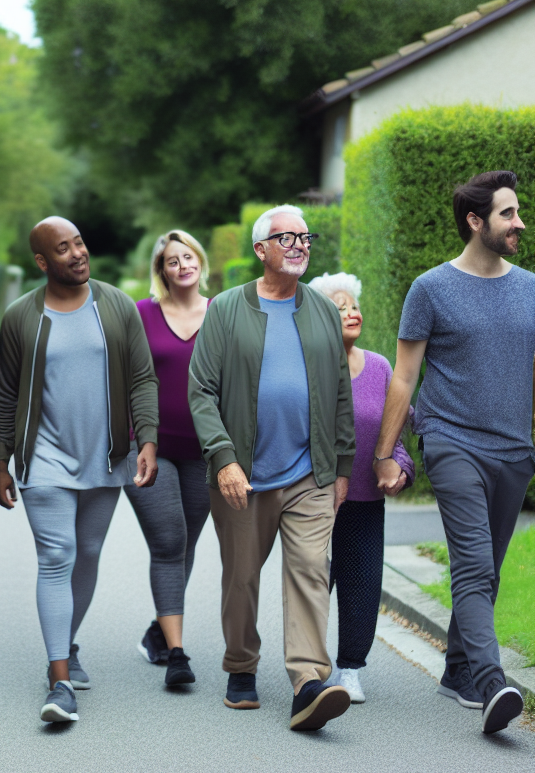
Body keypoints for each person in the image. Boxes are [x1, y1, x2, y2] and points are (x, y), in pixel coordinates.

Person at [374, 171, 534, 735]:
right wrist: (386, 452)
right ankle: (493, 682)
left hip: (515, 450)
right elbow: (405, 376)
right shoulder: (431, 288)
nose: (519, 223)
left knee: (487, 567)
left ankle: (458, 671)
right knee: (472, 562)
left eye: (517, 213)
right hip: (451, 441)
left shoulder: (531, 287)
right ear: (475, 221)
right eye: (508, 214)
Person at [189, 205, 354, 732]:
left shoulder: (323, 312)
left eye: (306, 237)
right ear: (261, 250)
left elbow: (339, 395)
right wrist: (224, 458)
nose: (301, 245)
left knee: (310, 569)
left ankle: (308, 681)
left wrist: (343, 464)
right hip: (243, 475)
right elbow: (201, 391)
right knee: (242, 578)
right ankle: (240, 663)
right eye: (288, 237)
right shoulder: (226, 310)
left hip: (310, 473)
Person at [0, 216, 159, 724]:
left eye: (80, 242)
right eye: (62, 249)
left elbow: (141, 378)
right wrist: (0, 459)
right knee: (57, 555)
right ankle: (59, 677)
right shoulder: (22, 316)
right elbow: (6, 393)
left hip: (106, 454)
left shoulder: (116, 306)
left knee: (87, 552)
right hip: (43, 456)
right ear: (42, 262)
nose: (77, 253)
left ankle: (66, 640)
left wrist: (147, 438)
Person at [308, 272, 414, 704]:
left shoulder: (381, 368)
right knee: (313, 587)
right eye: (339, 306)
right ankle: (310, 670)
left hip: (365, 502)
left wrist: (400, 469)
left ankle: (350, 669)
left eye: (354, 304)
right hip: (313, 500)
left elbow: (396, 439)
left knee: (362, 586)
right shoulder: (308, 370)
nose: (352, 312)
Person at [126, 231, 212, 686]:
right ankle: (177, 653)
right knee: (169, 540)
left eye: (188, 256)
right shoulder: (143, 314)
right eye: (171, 261)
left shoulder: (220, 313)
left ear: (199, 261)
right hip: (148, 450)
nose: (181, 265)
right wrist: (139, 437)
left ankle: (160, 629)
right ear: (162, 271)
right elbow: (128, 379)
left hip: (204, 452)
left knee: (186, 543)